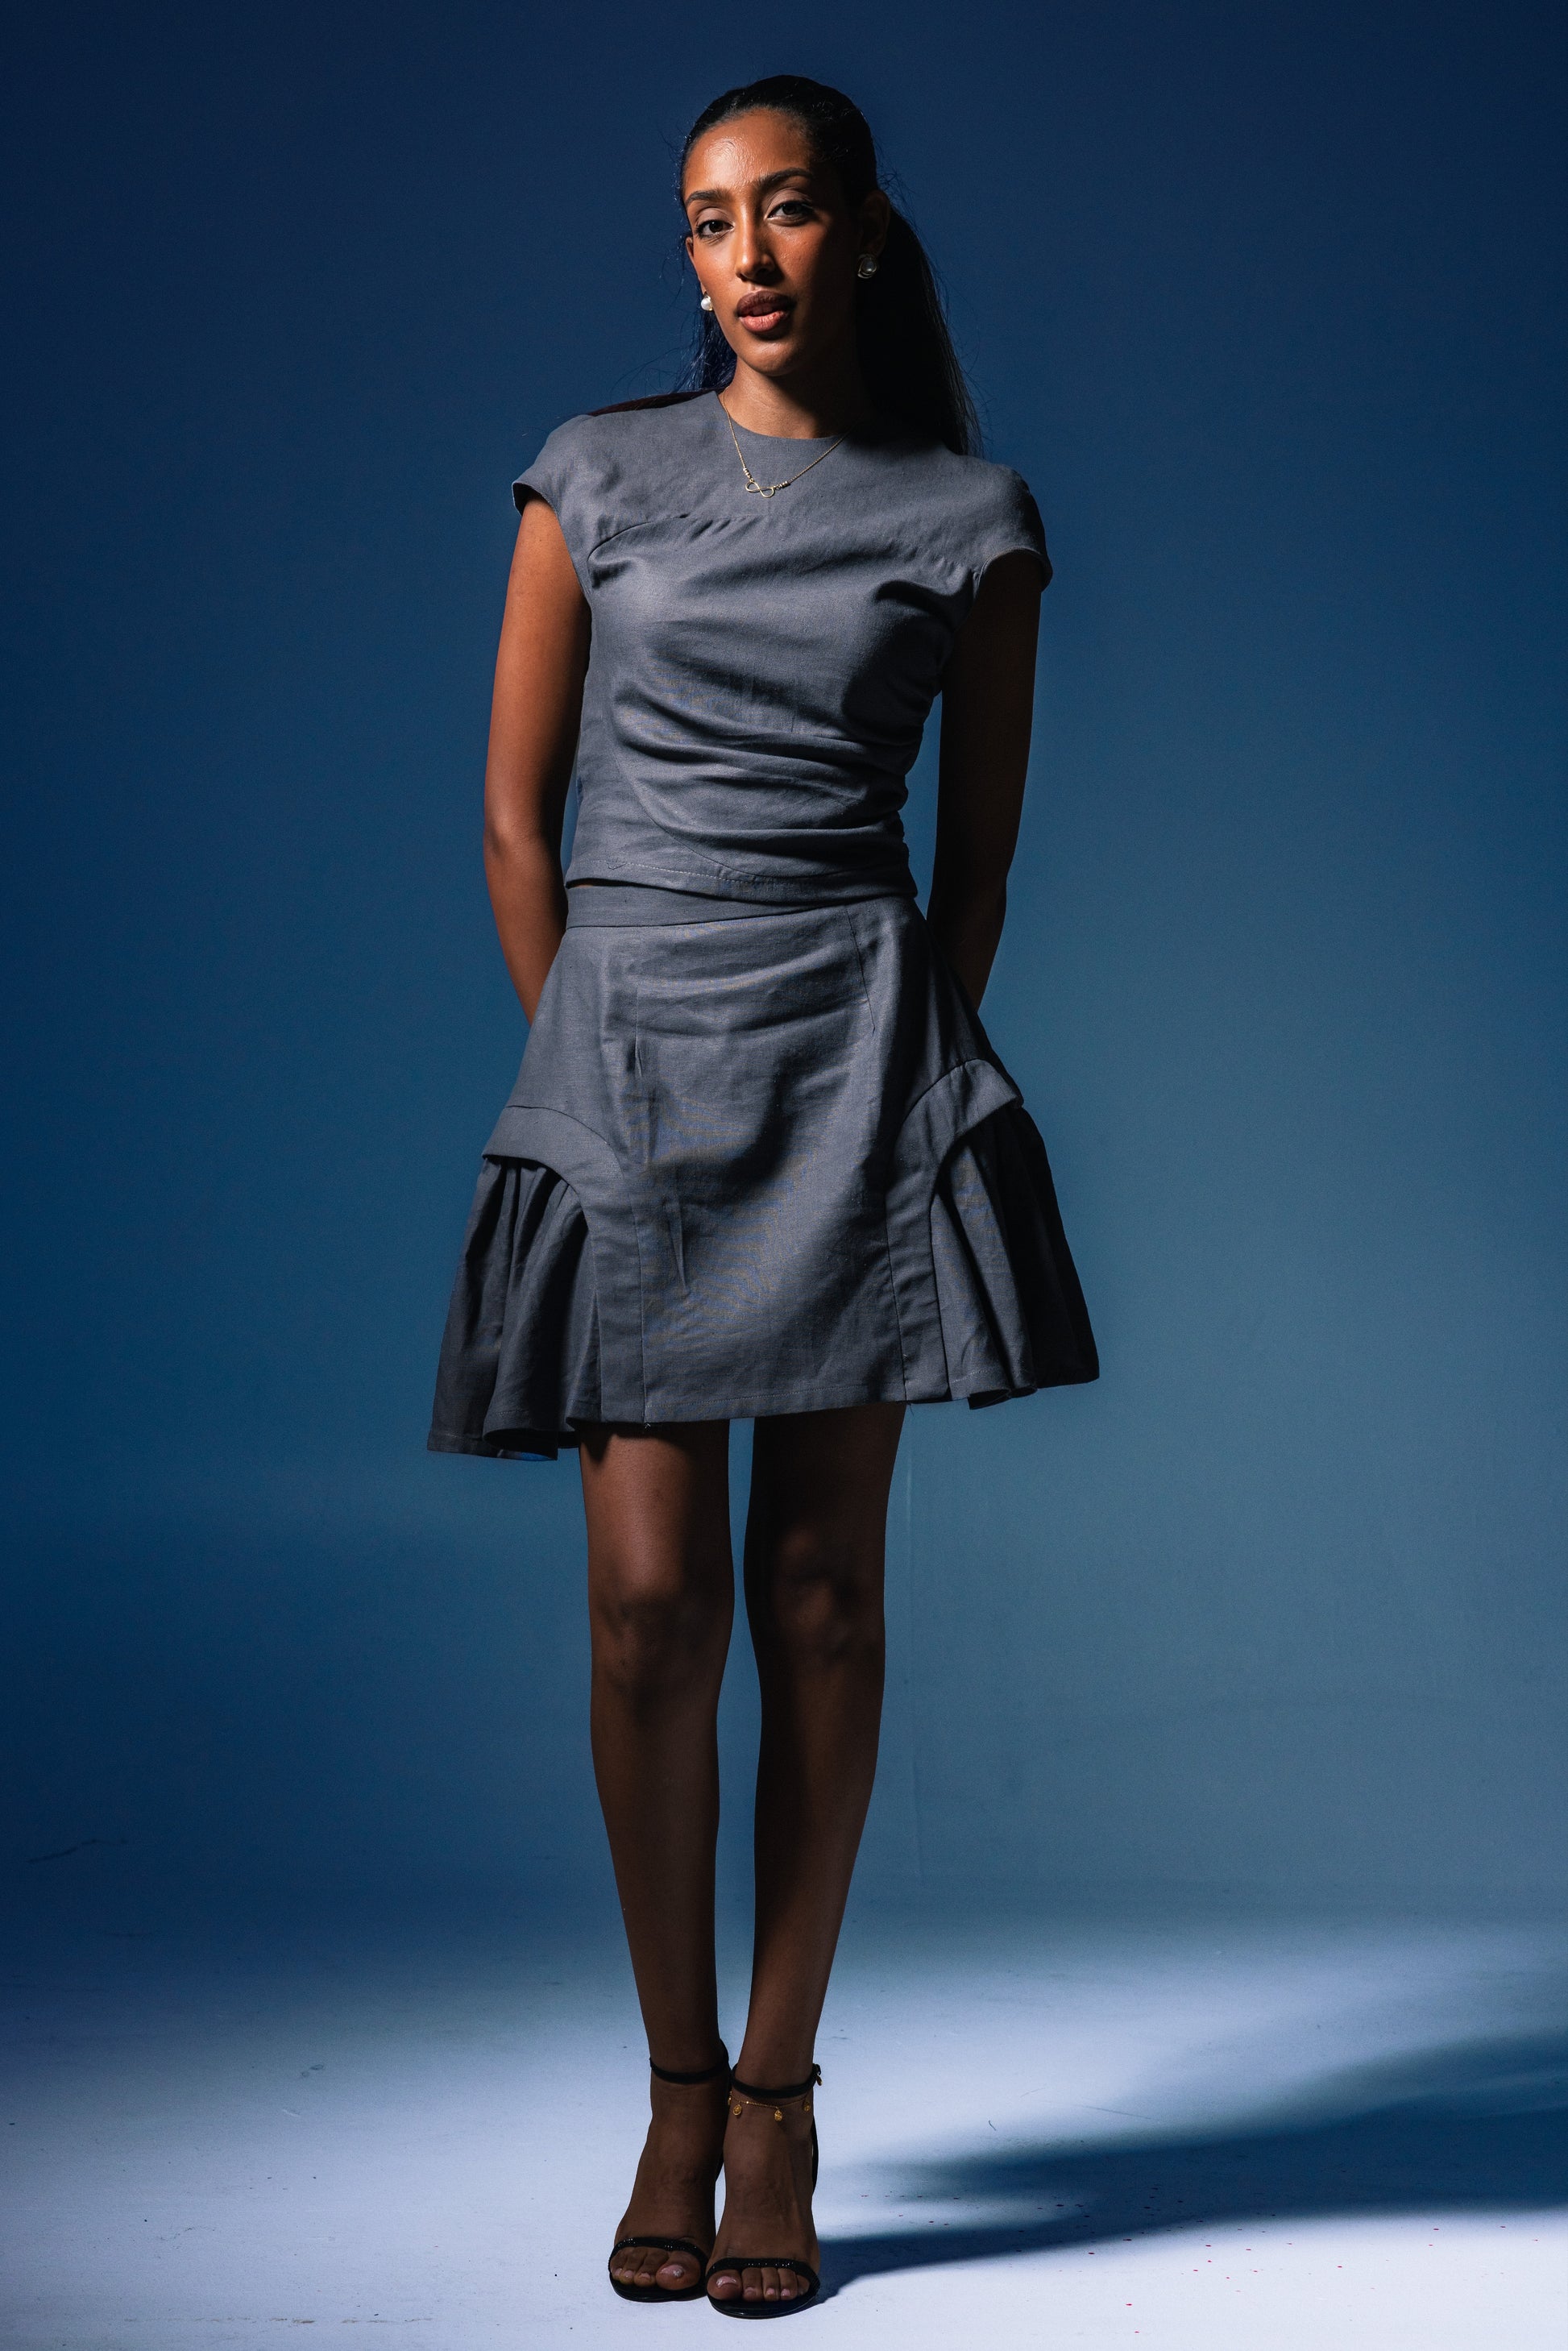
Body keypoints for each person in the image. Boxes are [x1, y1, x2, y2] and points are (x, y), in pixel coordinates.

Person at [428, 73, 1097, 2317]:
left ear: (865, 235)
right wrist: (580, 1061)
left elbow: (974, 867)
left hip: (852, 1056)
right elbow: (516, 818)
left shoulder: (970, 518)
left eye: (788, 210)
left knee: (815, 1596)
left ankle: (782, 2101)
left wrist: (905, 1070)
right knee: (648, 1609)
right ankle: (673, 2083)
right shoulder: (595, 472)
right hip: (621, 1049)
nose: (745, 256)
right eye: (711, 220)